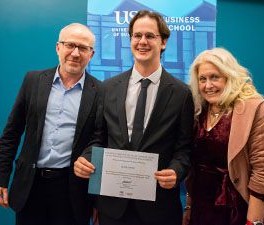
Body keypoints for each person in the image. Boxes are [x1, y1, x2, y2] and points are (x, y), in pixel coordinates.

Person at [74, 10, 194, 225]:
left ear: (163, 42)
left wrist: (176, 171)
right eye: (137, 36)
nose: (142, 42)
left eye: (150, 36)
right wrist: (86, 157)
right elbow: (98, 138)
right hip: (112, 207)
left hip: (159, 207)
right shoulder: (108, 88)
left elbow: (184, 149)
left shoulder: (182, 93)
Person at [0, 23, 102, 225]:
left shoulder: (101, 91)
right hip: (30, 186)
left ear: (91, 54)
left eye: (83, 48)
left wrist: (98, 201)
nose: (75, 53)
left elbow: (100, 139)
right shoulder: (33, 81)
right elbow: (11, 133)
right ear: (58, 47)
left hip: (72, 191)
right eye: (70, 45)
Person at [183, 47, 264, 225]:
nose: (208, 85)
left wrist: (253, 222)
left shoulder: (253, 107)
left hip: (239, 207)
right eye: (202, 79)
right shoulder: (199, 110)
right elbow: (195, 167)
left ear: (229, 76)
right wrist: (189, 207)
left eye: (214, 77)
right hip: (201, 206)